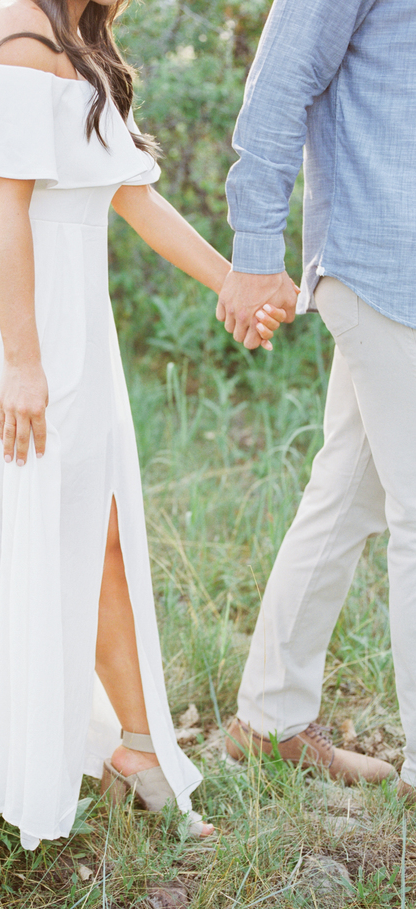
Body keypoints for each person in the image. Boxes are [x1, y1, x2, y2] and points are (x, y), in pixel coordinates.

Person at [0, 0, 284, 849]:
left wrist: (235, 283)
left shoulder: (86, 44)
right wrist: (24, 361)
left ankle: (137, 748)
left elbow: (134, 202)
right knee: (48, 539)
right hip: (24, 338)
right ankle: (31, 759)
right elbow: (5, 211)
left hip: (83, 337)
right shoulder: (14, 28)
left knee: (103, 537)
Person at [217, 0, 416, 798]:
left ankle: (266, 719)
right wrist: (256, 252)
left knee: (348, 492)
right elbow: (280, 80)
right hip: (384, 263)